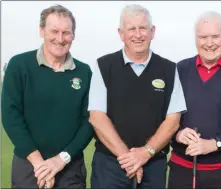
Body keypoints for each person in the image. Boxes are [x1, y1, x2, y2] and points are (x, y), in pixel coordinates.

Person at [88, 4, 186, 189]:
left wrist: (145, 154)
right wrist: (129, 159)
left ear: (152, 31)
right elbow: (97, 117)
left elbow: (173, 121)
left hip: (153, 165)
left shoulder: (169, 70)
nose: (138, 34)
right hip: (109, 167)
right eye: (131, 28)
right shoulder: (103, 66)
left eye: (143, 28)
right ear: (121, 33)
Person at [1, 4, 93, 189]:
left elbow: (89, 121)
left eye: (66, 32)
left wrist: (60, 160)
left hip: (70, 168)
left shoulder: (84, 72)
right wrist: (40, 165)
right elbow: (11, 117)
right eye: (54, 31)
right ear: (41, 30)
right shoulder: (19, 65)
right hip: (28, 167)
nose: (60, 39)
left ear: (73, 35)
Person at [168, 11, 221, 189]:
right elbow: (166, 115)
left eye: (215, 36)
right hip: (182, 169)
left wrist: (214, 144)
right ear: (195, 39)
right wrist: (178, 133)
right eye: (202, 37)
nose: (209, 43)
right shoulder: (180, 69)